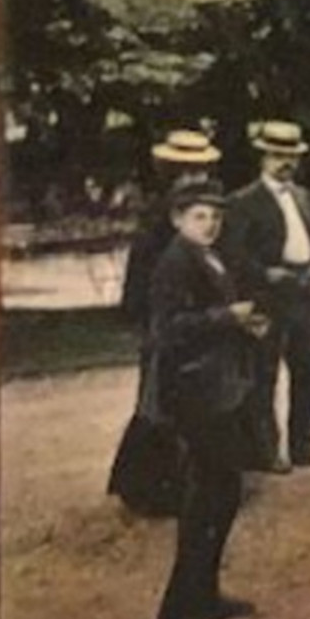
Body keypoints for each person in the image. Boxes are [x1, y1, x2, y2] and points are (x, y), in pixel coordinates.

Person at [148, 182, 268, 619]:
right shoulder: (174, 263)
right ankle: (177, 614)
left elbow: (211, 318)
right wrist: (227, 318)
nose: (211, 224)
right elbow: (169, 330)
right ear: (179, 219)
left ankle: (205, 595)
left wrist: (244, 325)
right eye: (201, 216)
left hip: (219, 389)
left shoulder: (206, 257)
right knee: (206, 499)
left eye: (216, 216)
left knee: (223, 492)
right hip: (194, 394)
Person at [109, 128, 223, 519]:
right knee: (158, 404)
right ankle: (145, 487)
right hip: (166, 324)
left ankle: (183, 483)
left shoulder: (205, 215)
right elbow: (141, 281)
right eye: (186, 172)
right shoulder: (160, 221)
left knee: (190, 404)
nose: (195, 178)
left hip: (194, 323)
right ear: (170, 173)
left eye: (200, 171)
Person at [220, 119, 310, 472]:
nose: (286, 162)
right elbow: (234, 254)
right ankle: (266, 451)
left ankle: (303, 444)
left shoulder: (302, 196)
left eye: (291, 156)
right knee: (264, 375)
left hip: (302, 292)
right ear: (262, 157)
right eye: (277, 155)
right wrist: (266, 273)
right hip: (267, 295)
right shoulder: (243, 201)